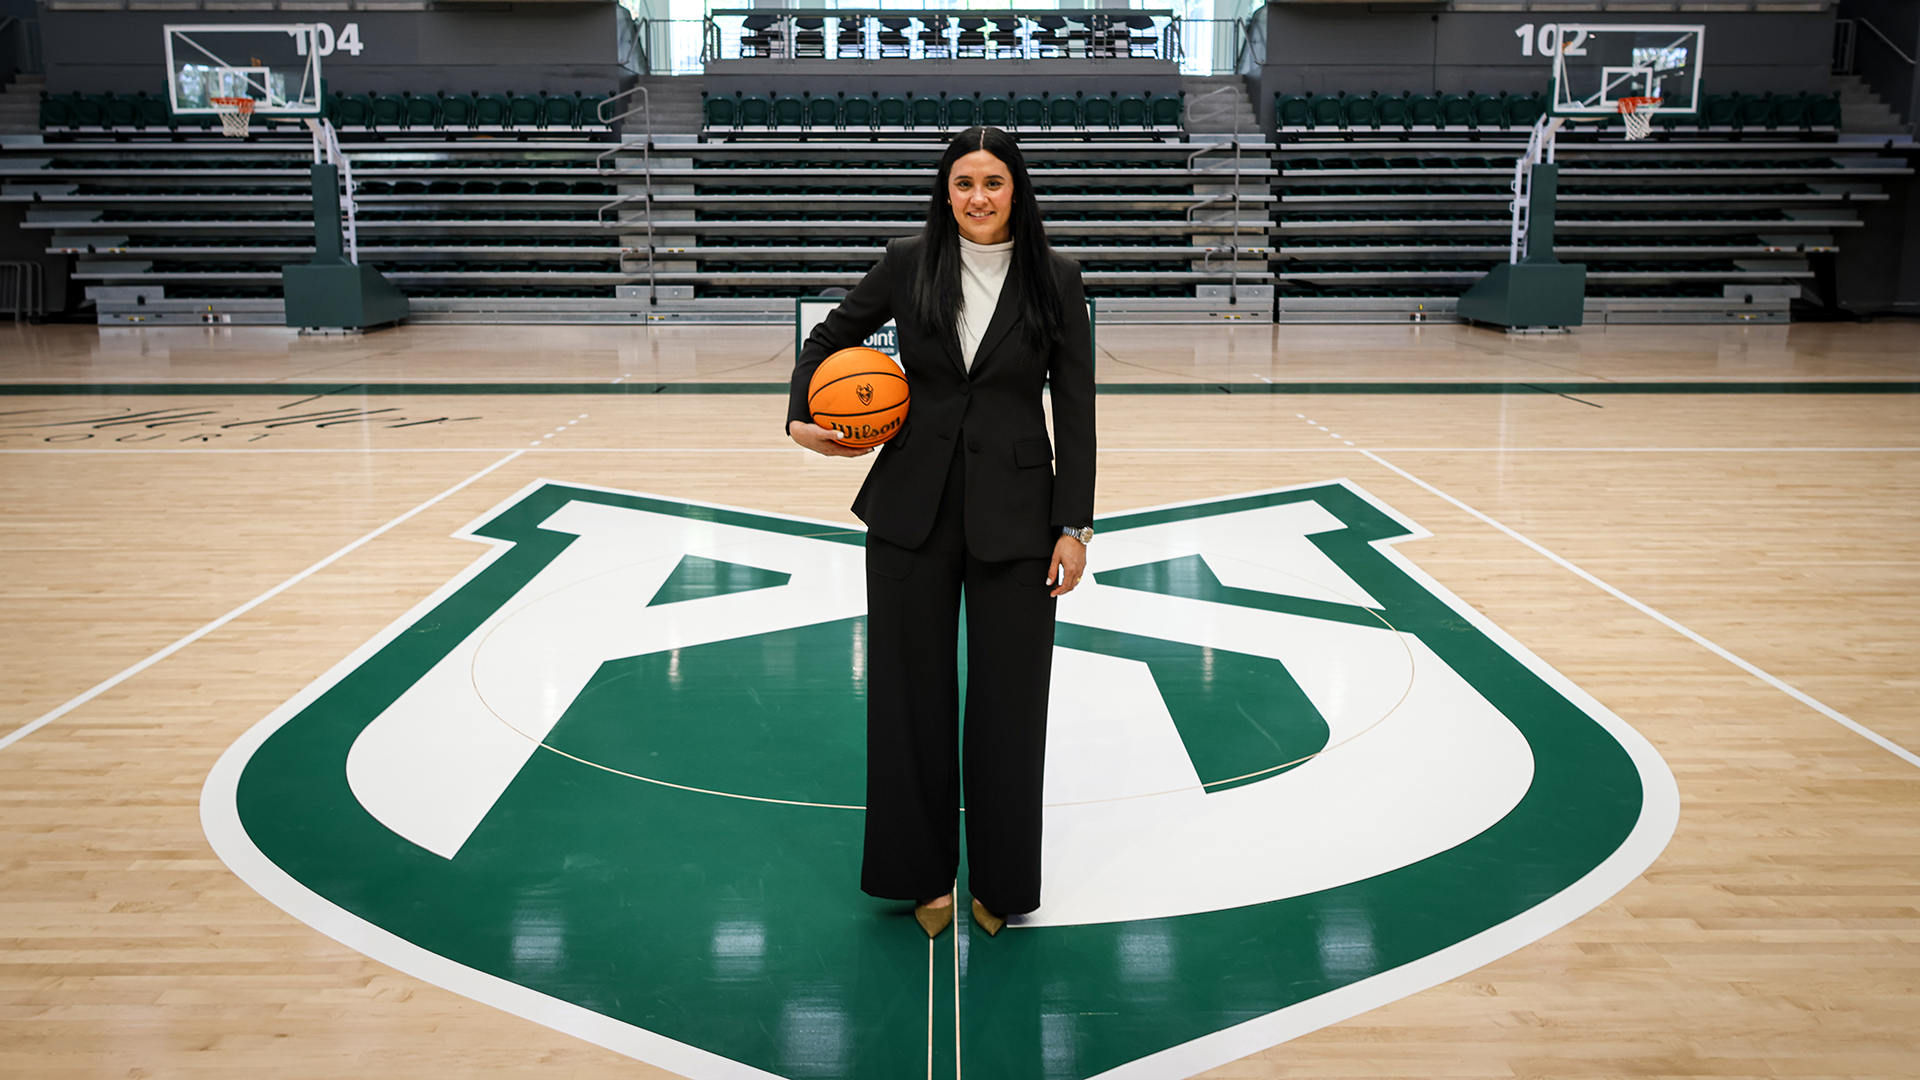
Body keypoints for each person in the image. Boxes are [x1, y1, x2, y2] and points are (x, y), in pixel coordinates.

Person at [786, 126, 1095, 938]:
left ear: (1017, 191)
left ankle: (1001, 881)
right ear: (944, 191)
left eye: (993, 182)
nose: (978, 198)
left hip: (1021, 516)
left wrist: (1075, 525)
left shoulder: (1056, 278)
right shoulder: (906, 261)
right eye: (963, 183)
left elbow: (1077, 407)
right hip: (909, 508)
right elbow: (827, 340)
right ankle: (917, 873)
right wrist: (801, 418)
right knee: (906, 701)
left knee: (1010, 706)